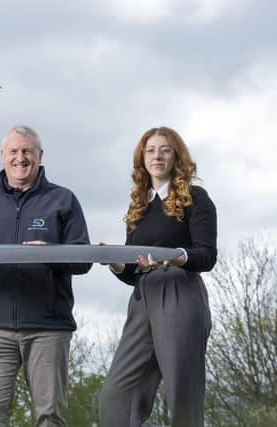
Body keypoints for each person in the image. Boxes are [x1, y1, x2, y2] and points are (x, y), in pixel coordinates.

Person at [0, 125, 92, 426]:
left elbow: (83, 260)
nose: (21, 158)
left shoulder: (64, 200)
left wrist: (51, 253)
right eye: (14, 151)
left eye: (27, 151)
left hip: (48, 327)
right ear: (3, 156)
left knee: (50, 417)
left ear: (40, 156)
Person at [100, 126, 217, 426]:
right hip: (142, 299)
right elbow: (132, 271)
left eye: (164, 149)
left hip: (180, 292)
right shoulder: (138, 205)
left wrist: (175, 256)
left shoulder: (196, 197)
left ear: (176, 155)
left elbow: (206, 255)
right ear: (142, 158)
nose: (157, 156)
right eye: (150, 150)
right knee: (116, 395)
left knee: (181, 394)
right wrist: (114, 262)